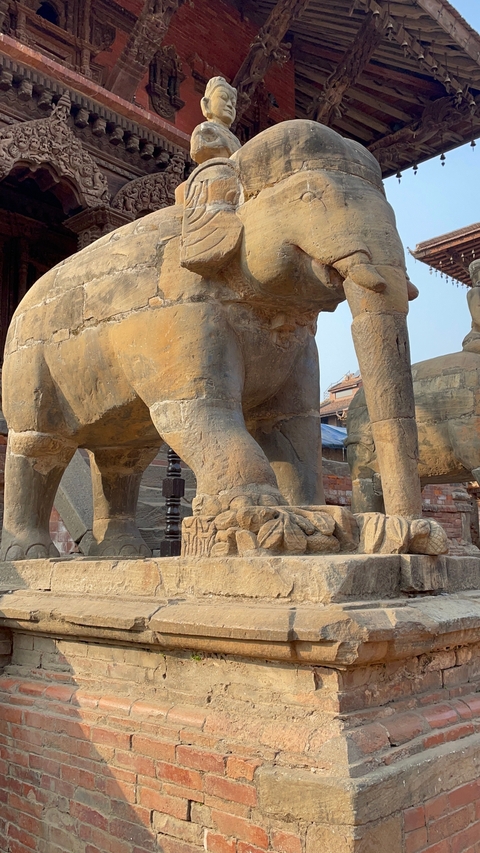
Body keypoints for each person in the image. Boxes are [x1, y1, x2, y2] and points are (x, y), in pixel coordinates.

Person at [190, 76, 241, 165]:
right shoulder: (204, 128)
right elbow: (197, 149)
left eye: (233, 103)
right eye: (223, 97)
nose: (229, 105)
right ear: (206, 104)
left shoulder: (236, 140)